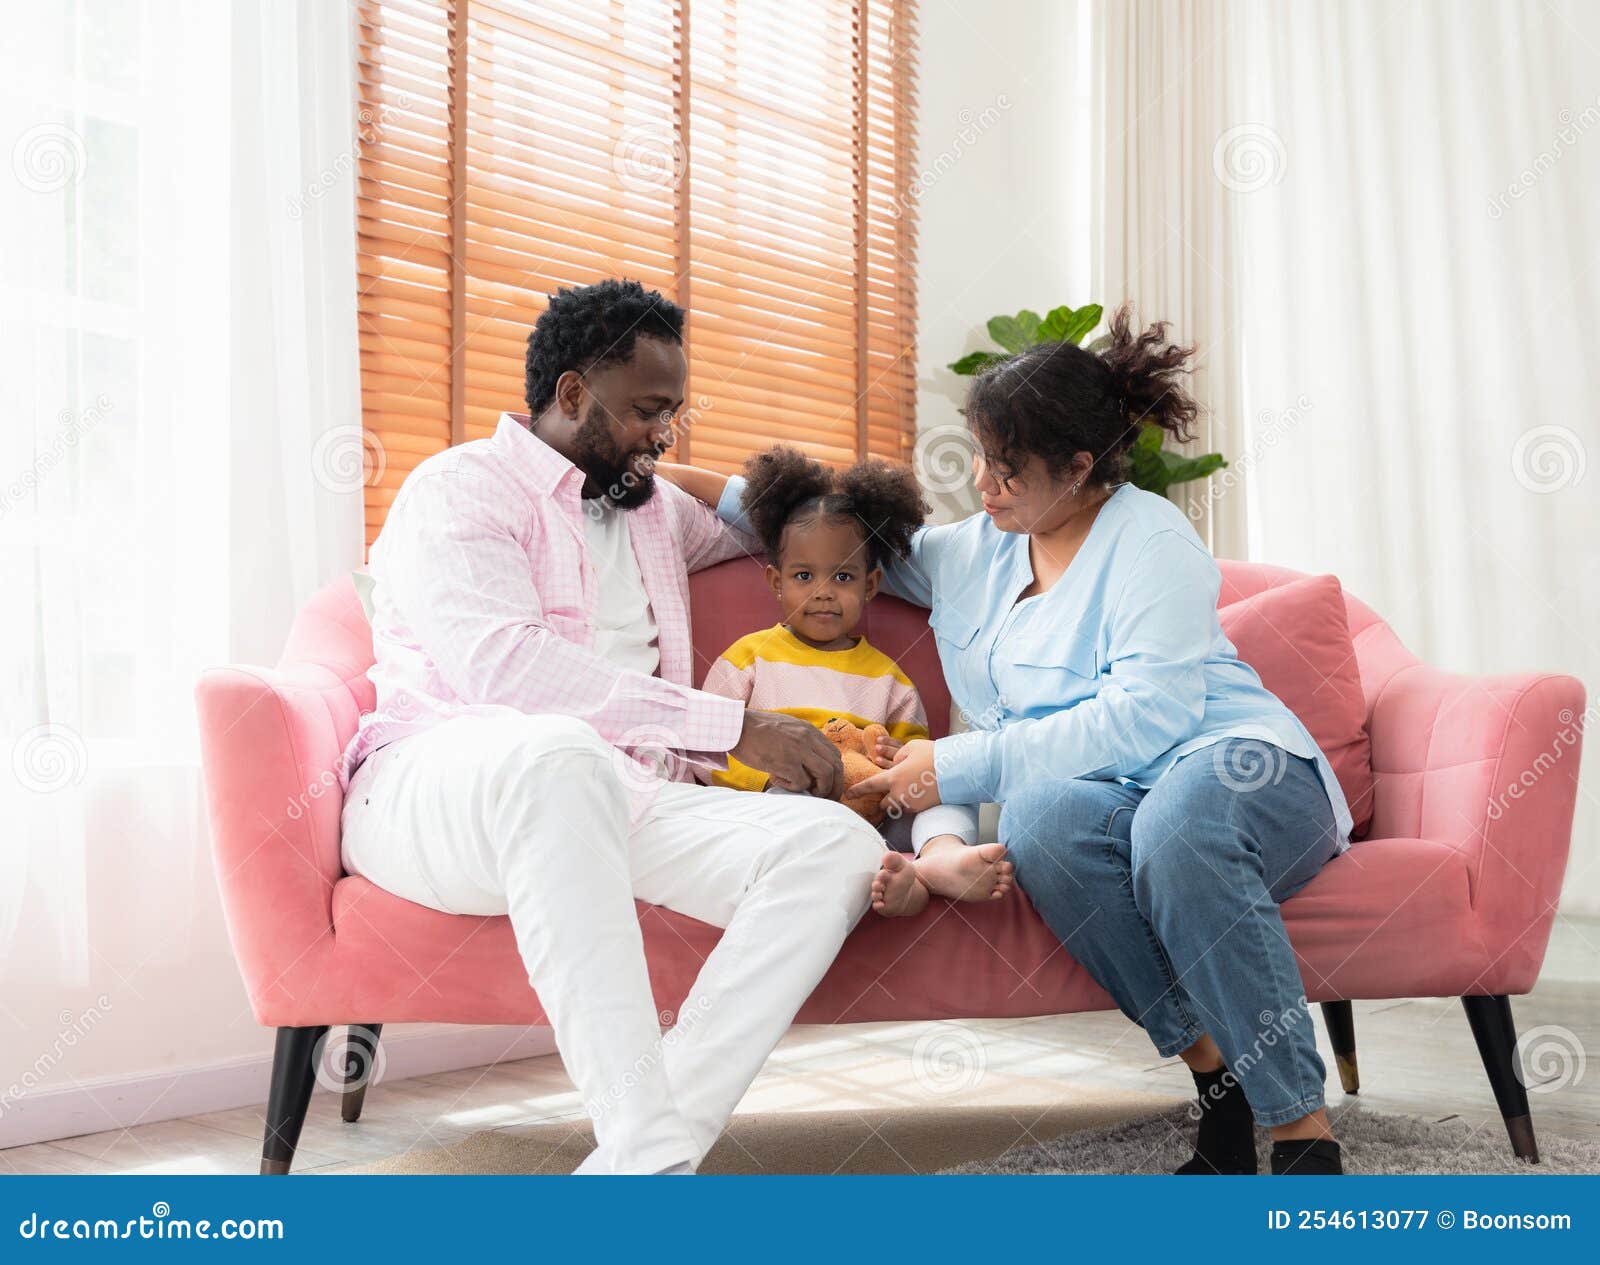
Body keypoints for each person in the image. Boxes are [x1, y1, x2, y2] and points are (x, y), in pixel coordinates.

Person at [698, 304, 1353, 1176]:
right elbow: (817, 527)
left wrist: (953, 763)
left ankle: (1303, 1133)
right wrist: (669, 474)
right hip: (1119, 794)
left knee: (1178, 829)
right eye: (979, 457)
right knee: (1041, 820)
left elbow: (1146, 718)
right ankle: (1216, 1079)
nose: (983, 484)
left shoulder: (1152, 542)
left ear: (1080, 467)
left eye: (1007, 469)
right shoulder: (977, 551)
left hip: (1239, 765)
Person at [337, 279, 884, 1175]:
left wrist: (666, 466)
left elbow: (774, 521)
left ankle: (638, 1165)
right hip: (442, 788)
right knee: (558, 751)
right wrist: (731, 726)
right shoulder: (459, 490)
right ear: (571, 394)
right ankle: (655, 1162)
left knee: (834, 848)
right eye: (646, 410)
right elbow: (508, 671)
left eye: (672, 412)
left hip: (622, 795)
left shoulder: (650, 507)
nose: (663, 434)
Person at [666, 445, 1009, 912]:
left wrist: (893, 761)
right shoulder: (748, 657)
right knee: (793, 808)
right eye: (804, 576)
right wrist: (768, 779)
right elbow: (707, 746)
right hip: (784, 803)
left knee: (943, 800)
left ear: (870, 586)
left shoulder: (890, 678)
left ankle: (935, 861)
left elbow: (914, 758)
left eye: (843, 578)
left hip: (874, 813)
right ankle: (871, 870)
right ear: (776, 582)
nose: (824, 593)